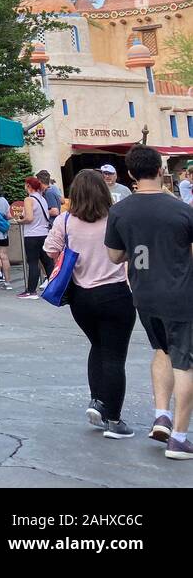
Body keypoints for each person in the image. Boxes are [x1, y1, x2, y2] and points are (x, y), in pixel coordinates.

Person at [105, 144, 193, 459]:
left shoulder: (120, 211)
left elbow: (114, 255)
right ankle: (180, 438)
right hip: (181, 294)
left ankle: (162, 416)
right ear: (160, 170)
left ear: (129, 174)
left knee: (161, 350)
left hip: (143, 295)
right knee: (185, 362)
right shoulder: (182, 209)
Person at [45, 169, 136, 438]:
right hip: (116, 293)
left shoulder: (65, 220)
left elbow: (50, 249)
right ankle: (115, 420)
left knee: (97, 346)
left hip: (80, 297)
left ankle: (97, 401)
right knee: (115, 356)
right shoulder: (115, 218)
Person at [19, 177, 56, 299]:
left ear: (28, 186)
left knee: (33, 262)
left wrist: (20, 221)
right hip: (44, 233)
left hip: (32, 235)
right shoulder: (42, 199)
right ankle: (54, 287)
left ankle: (31, 291)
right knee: (47, 262)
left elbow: (29, 218)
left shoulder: (29, 199)